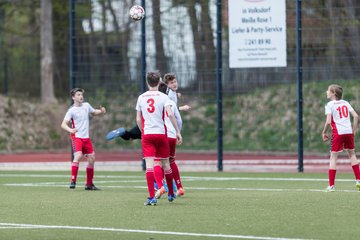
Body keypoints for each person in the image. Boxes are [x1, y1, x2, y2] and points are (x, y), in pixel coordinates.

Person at [136, 71, 182, 206]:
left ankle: (151, 197)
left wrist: (142, 131)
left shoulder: (141, 97)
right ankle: (171, 194)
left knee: (150, 166)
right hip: (162, 134)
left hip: (148, 135)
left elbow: (138, 119)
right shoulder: (163, 97)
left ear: (147, 82)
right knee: (166, 164)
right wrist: (177, 131)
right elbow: (170, 114)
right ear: (159, 82)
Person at [61, 88, 106, 190]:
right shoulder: (71, 110)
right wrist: (70, 130)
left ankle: (89, 184)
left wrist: (101, 111)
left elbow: (94, 112)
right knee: (78, 155)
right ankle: (73, 181)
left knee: (92, 158)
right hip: (77, 137)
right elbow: (63, 124)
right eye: (78, 95)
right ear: (73, 97)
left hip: (86, 138)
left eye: (81, 94)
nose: (81, 96)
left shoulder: (86, 105)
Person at [322, 84, 360, 192]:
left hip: (338, 133)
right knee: (352, 154)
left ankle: (331, 186)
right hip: (348, 132)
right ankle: (358, 180)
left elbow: (329, 121)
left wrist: (323, 132)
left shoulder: (329, 104)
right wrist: (353, 130)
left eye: (328, 90)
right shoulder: (345, 103)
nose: (327, 92)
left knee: (333, 157)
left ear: (333, 93)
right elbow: (356, 116)